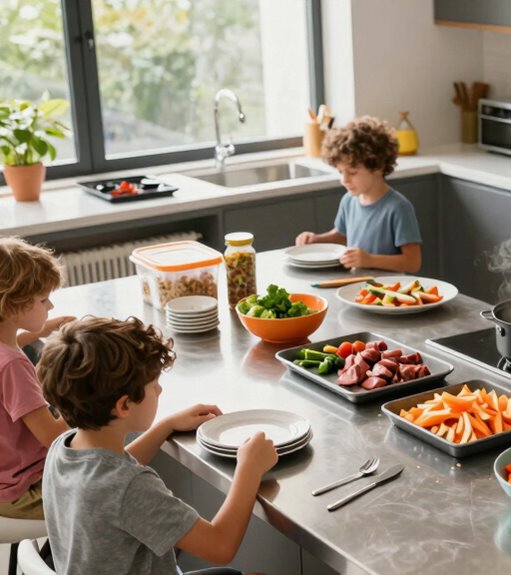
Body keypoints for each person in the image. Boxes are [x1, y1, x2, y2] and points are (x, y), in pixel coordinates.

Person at [38, 316, 279, 575]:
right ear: (124, 406)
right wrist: (249, 469)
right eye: (154, 385)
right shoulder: (129, 488)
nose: (160, 391)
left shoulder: (63, 449)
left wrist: (165, 426)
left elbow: (110, 474)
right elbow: (220, 546)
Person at [295, 116, 423, 273]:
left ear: (378, 166)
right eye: (341, 172)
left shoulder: (398, 207)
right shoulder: (349, 200)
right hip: (356, 287)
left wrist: (370, 260)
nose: (344, 179)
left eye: (352, 172)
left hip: (388, 291)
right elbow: (342, 235)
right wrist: (316, 239)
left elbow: (413, 262)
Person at [0, 237, 70, 520]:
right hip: (20, 490)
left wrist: (40, 331)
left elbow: (11, 341)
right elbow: (53, 435)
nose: (50, 306)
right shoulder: (13, 366)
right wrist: (82, 401)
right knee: (107, 492)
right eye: (43, 300)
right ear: (11, 305)